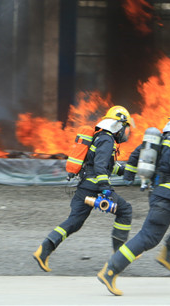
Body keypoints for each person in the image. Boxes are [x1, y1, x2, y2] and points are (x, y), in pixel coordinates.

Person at [97, 99, 170, 296]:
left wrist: (129, 175)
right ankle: (110, 270)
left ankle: (168, 255)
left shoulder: (164, 136)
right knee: (148, 237)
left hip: (166, 196)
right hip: (167, 198)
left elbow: (136, 153)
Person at [32, 105, 135, 272]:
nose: (126, 132)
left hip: (85, 187)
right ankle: (119, 255)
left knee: (74, 222)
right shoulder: (107, 140)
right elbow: (100, 168)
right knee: (125, 211)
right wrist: (106, 190)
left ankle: (43, 250)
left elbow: (103, 165)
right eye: (125, 127)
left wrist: (127, 170)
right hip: (95, 187)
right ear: (118, 125)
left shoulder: (100, 137)